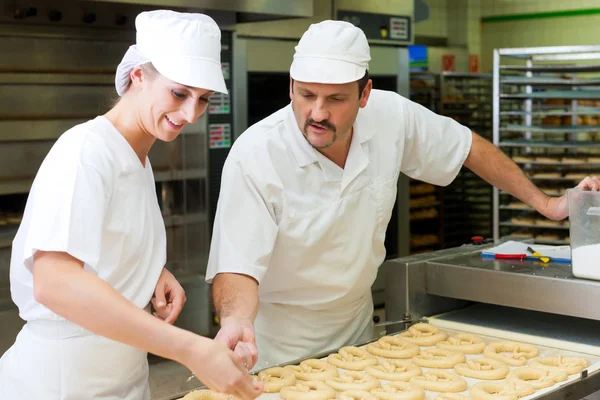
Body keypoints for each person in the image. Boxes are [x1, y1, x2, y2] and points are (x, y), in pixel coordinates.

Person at [206, 19, 600, 370]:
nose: (318, 113)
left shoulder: (389, 116)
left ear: (365, 95)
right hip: (273, 350)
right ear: (291, 87)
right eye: (306, 95)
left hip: (358, 334)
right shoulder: (256, 155)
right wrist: (236, 321)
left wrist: (546, 203)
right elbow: (236, 265)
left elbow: (468, 148)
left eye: (336, 99)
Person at [0, 10, 262, 400]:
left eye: (203, 99)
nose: (191, 114)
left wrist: (146, 269)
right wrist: (188, 348)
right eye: (179, 93)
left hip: (121, 377)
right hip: (62, 382)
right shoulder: (86, 151)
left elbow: (102, 240)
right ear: (138, 75)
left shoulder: (135, 158)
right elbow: (54, 282)